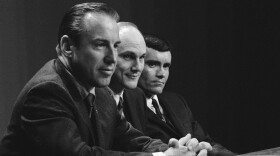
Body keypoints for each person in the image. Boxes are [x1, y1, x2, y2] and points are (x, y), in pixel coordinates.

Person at [0, 3, 206, 156]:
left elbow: (133, 140)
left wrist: (177, 149)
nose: (112, 58)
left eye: (115, 46)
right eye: (100, 44)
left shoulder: (100, 91)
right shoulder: (47, 91)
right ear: (67, 47)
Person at [123, 34, 236, 156]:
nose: (162, 74)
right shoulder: (122, 106)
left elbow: (207, 142)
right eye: (152, 64)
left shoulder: (176, 101)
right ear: (138, 63)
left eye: (166, 66)